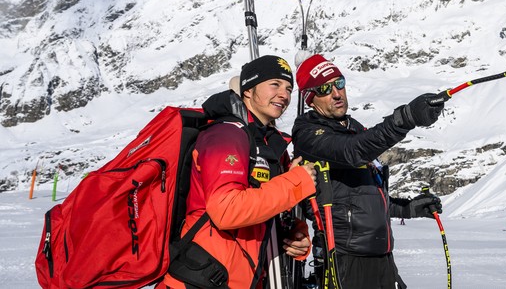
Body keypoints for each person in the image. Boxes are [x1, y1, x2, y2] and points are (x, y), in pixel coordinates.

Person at [160, 55, 317, 289]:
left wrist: (294, 235)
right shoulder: (225, 135)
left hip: (239, 278)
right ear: (248, 91)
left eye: (288, 88)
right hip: (200, 279)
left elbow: (263, 208)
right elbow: (226, 210)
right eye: (274, 84)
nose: (284, 95)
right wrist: (296, 182)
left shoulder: (269, 146)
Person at [292, 53, 445, 289]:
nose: (336, 93)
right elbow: (352, 152)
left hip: (383, 257)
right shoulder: (308, 133)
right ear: (311, 99)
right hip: (344, 261)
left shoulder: (355, 128)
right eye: (324, 89)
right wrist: (406, 118)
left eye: (339, 83)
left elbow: (364, 195)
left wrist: (409, 208)